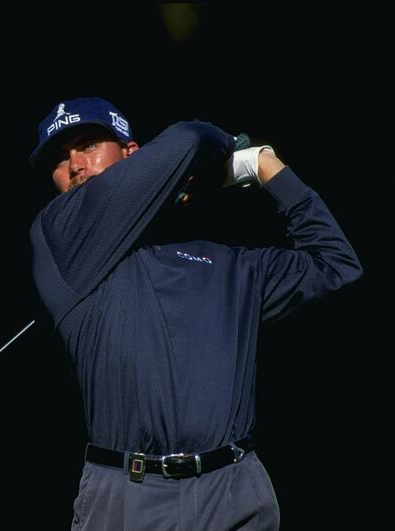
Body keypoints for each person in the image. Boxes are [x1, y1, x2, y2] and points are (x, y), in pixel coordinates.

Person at [27, 96, 362, 531]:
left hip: (236, 487)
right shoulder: (61, 236)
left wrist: (266, 167)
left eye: (88, 145)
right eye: (59, 158)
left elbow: (335, 264)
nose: (74, 165)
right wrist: (230, 151)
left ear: (132, 154)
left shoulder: (229, 263)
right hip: (129, 496)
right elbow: (190, 137)